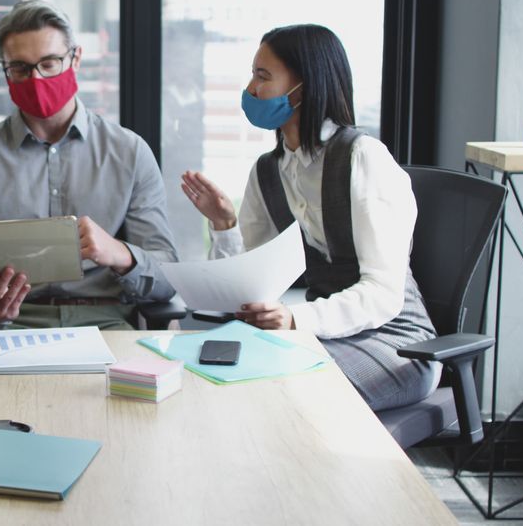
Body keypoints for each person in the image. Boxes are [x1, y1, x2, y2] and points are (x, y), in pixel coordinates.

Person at [180, 24, 439, 411]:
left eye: (263, 76)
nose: (251, 89)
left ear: (304, 86)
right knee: (210, 372)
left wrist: (295, 319)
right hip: (319, 336)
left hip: (396, 342)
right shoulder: (269, 170)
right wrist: (223, 225)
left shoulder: (363, 158)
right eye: (253, 74)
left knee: (276, 392)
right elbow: (251, 284)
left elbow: (384, 295)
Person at [0, 0, 178, 331]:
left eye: (49, 63)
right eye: (20, 68)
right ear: (5, 69)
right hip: (15, 327)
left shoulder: (129, 151)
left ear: (75, 58)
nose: (36, 78)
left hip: (105, 323)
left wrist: (118, 253)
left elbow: (168, 278)